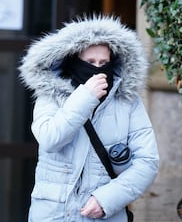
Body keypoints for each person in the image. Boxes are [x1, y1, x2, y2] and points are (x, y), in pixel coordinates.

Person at [19, 15, 159, 222]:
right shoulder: (50, 94)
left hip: (104, 215)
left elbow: (147, 162)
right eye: (90, 62)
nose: (97, 69)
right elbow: (49, 139)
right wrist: (85, 97)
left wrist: (106, 200)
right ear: (74, 61)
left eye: (104, 63)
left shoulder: (127, 101)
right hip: (53, 215)